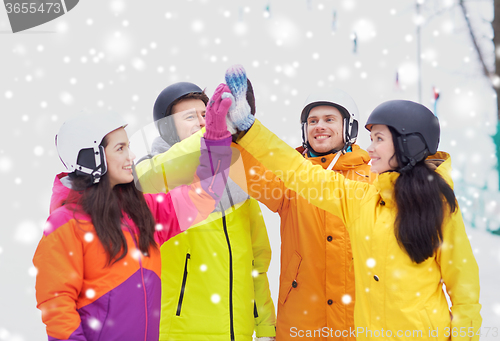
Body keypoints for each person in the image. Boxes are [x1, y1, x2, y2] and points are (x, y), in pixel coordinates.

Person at [224, 65, 482, 341]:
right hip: (311, 322)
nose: (371, 148)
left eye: (379, 139)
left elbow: (463, 288)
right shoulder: (357, 198)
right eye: (312, 121)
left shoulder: (429, 203)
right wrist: (243, 133)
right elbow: (291, 169)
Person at [33, 84, 234, 341]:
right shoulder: (65, 223)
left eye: (128, 146)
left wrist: (215, 138)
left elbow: (205, 195)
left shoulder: (142, 211)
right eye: (120, 149)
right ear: (92, 158)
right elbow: (57, 305)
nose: (131, 156)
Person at [134, 82, 276, 341]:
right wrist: (217, 133)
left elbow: (257, 263)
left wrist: (265, 325)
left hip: (237, 333)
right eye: (190, 117)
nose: (203, 122)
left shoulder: (237, 179)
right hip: (179, 333)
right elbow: (169, 170)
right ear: (167, 128)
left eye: (205, 115)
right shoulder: (150, 175)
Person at [229, 86, 373, 340]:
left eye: (330, 120)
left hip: (358, 318)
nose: (319, 126)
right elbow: (250, 171)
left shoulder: (371, 179)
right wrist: (234, 135)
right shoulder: (290, 179)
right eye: (312, 121)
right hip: (301, 320)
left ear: (349, 127)